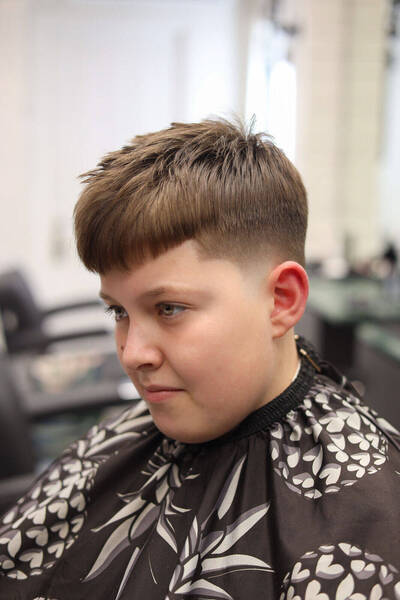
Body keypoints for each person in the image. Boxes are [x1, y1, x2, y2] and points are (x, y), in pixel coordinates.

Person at [1, 119, 400, 600]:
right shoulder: (129, 437)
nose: (133, 354)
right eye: (119, 312)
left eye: (169, 309)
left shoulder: (369, 518)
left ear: (281, 300)